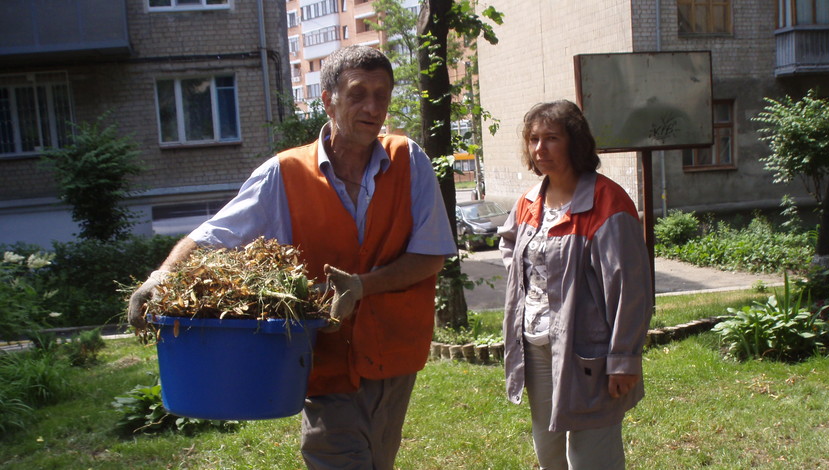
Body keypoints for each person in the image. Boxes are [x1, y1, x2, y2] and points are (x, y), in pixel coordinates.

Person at [128, 45, 456, 469]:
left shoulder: (408, 159)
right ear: (328, 100)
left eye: (382, 94)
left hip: (393, 353)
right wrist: (163, 276)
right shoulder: (284, 174)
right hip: (322, 357)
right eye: (358, 94)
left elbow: (430, 255)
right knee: (337, 457)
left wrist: (362, 287)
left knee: (378, 458)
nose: (373, 107)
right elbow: (214, 236)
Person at [498, 100, 652, 470]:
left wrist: (624, 359)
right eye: (533, 139)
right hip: (536, 349)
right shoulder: (529, 200)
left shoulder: (607, 202)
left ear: (575, 142)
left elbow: (631, 290)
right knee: (548, 452)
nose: (540, 148)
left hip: (590, 353)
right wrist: (531, 280)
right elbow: (509, 243)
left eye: (552, 138)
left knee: (591, 458)